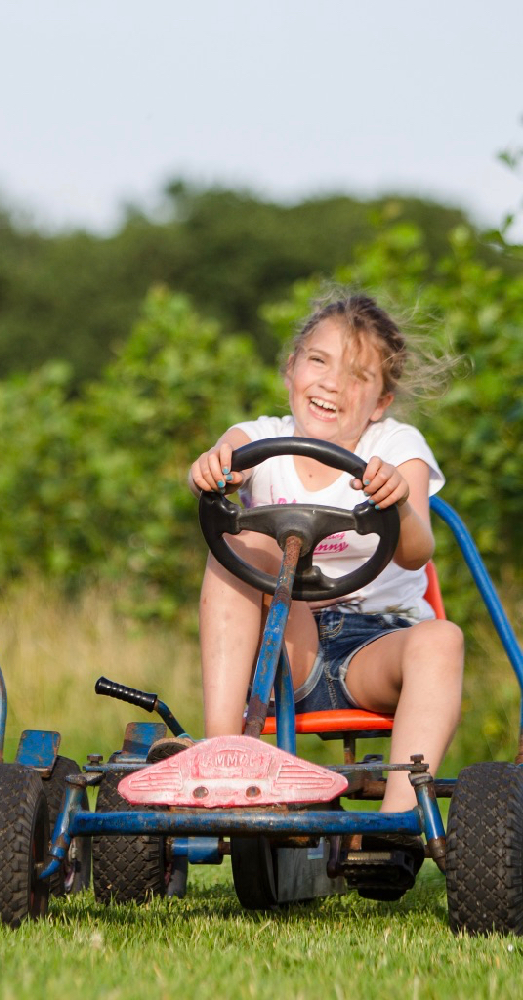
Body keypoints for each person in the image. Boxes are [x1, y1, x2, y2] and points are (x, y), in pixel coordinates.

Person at [188, 294, 463, 834]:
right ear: (291, 368)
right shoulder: (258, 439)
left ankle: (395, 827)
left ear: (380, 401)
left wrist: (397, 500)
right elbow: (221, 460)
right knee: (240, 547)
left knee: (444, 638)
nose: (333, 383)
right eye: (319, 360)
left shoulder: (395, 445)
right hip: (288, 649)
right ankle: (223, 755)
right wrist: (213, 469)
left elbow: (417, 550)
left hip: (378, 652)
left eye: (357, 374)